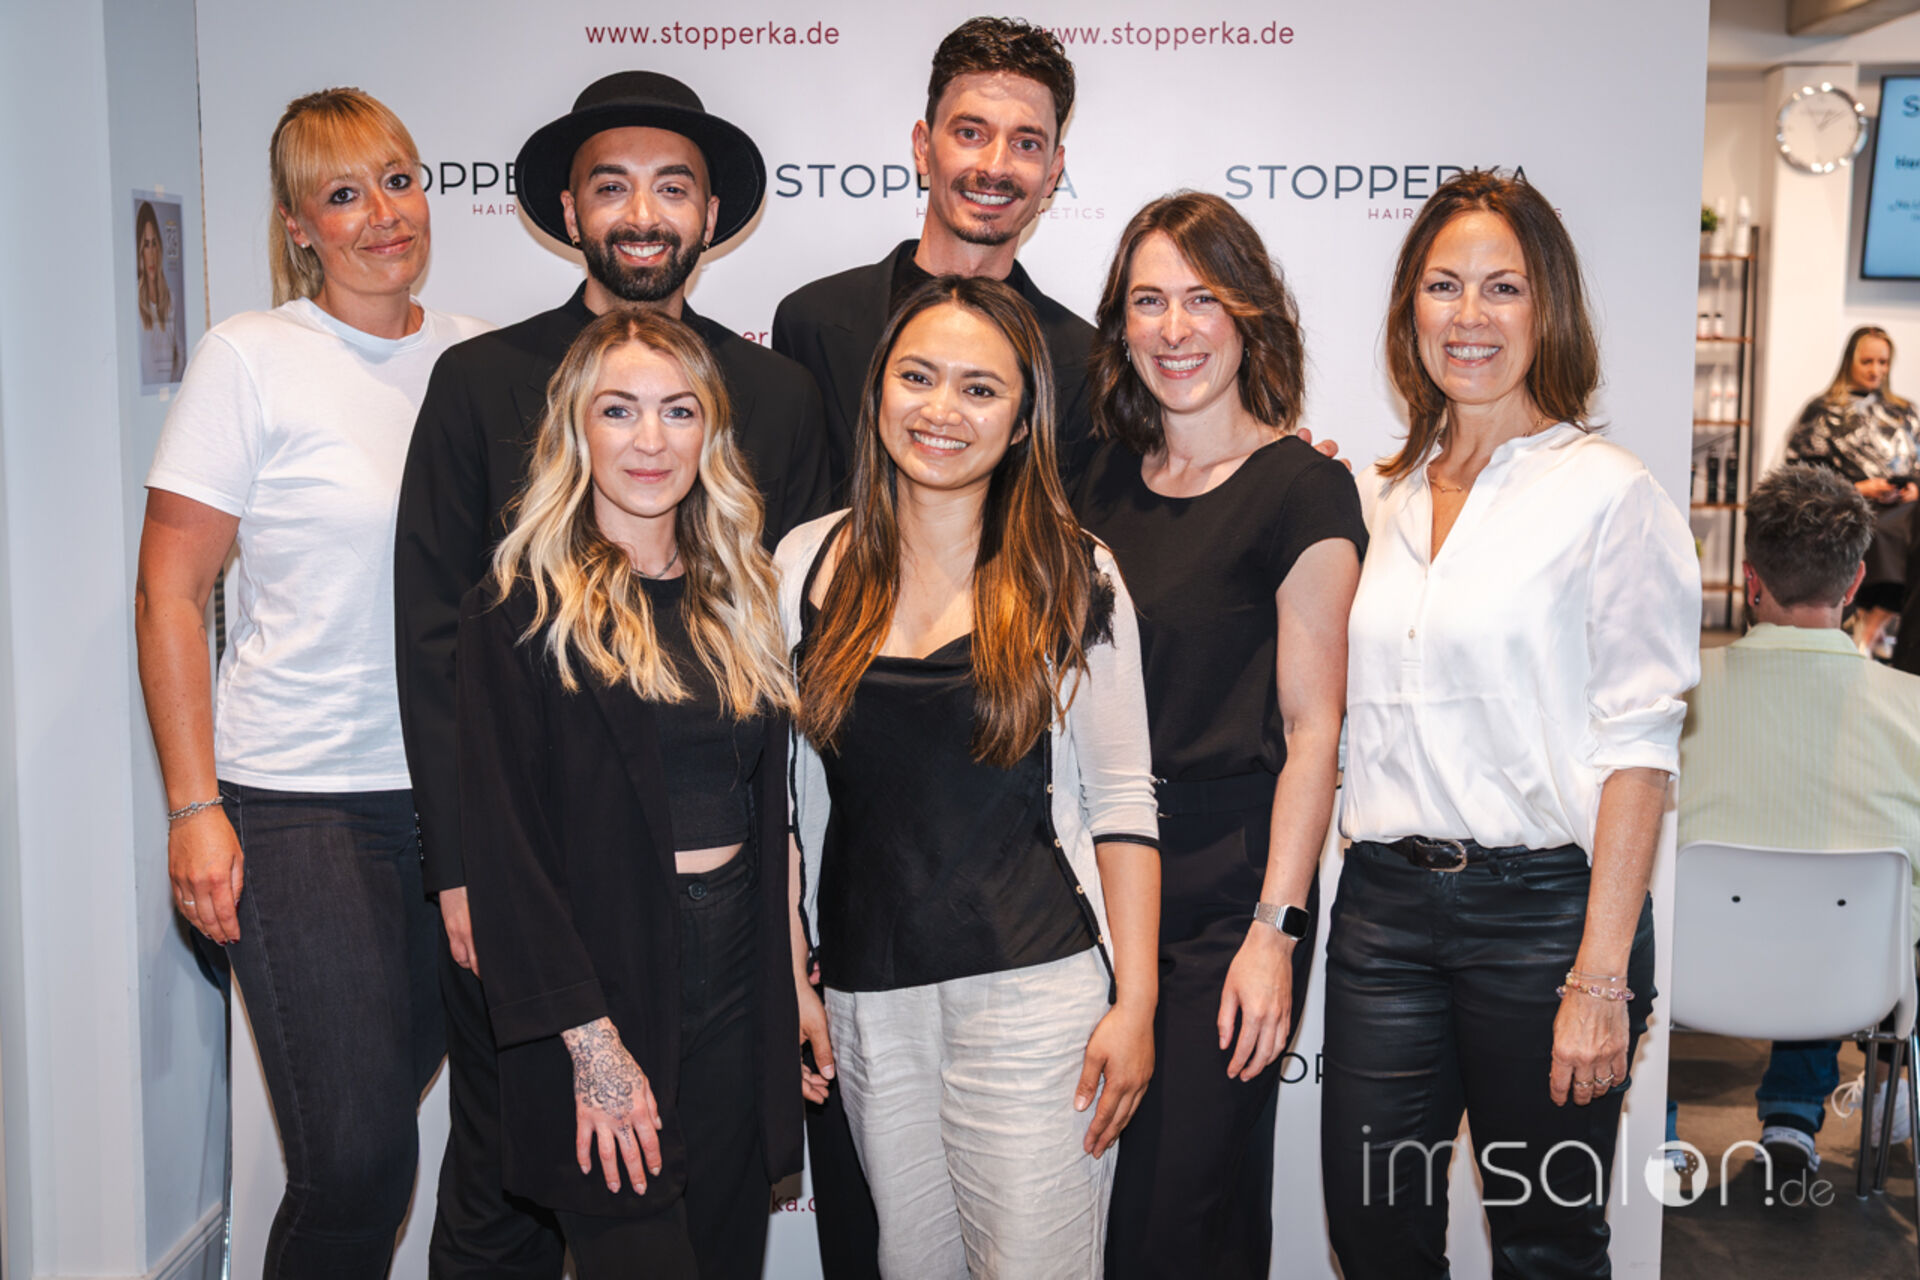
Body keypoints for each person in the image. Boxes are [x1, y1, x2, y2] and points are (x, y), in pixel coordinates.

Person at [392, 70, 831, 1275]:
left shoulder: (779, 396)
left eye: (671, 187)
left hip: (729, 925)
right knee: (505, 1192)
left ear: (711, 214)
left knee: (703, 1216)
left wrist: (796, 947)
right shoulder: (480, 380)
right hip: (545, 892)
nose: (651, 440)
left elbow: (797, 672)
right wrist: (460, 871)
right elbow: (434, 640)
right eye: (612, 186)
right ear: (568, 209)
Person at [133, 87, 488, 1276]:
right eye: (344, 194)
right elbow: (171, 593)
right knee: (357, 1160)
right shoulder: (253, 357)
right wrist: (194, 806)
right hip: (300, 802)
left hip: (459, 807)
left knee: (416, 1139)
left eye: (398, 179)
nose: (383, 213)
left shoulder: (480, 359)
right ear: (298, 227)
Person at [1324, 170, 1700, 1278]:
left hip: (1547, 922)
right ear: (1411, 308)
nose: (1470, 315)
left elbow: (1640, 749)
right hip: (1384, 914)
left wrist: (1599, 977)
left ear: (1549, 310)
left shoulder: (1609, 491)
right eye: (1444, 285)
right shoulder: (1377, 498)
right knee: (1375, 1235)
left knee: (1546, 1246)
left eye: (1504, 286)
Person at [778, 275, 1160, 1278]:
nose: (941, 409)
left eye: (980, 389)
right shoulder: (804, 563)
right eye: (918, 377)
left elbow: (1124, 802)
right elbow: (779, 800)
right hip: (868, 1000)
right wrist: (791, 969)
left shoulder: (1074, 571)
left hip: (1037, 996)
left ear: (1024, 418)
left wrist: (1137, 1004)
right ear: (878, 390)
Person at [456, 308, 801, 1278]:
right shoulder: (519, 608)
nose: (651, 439)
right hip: (599, 987)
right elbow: (507, 855)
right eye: (619, 410)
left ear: (710, 432)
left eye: (678, 411)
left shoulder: (742, 594)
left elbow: (768, 815)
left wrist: (790, 986)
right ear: (576, 427)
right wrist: (591, 1048)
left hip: (738, 977)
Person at [1070, 191, 1364, 1280]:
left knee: (1172, 1214)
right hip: (1088, 878)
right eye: (1149, 301)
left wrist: (1274, 929)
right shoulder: (1085, 481)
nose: (1176, 328)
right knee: (1150, 1213)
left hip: (1228, 888)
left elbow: (1313, 730)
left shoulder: (1305, 489)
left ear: (1249, 315)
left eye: (1202, 298)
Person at [1679, 463, 1920, 1173]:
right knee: (1841, 904)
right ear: (1855, 583)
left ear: (1750, 579)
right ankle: (1795, 1118)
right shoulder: (1912, 709)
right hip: (1856, 988)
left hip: (1692, 977)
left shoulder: (1675, 697)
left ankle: (1656, 1127)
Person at [772, 17, 1099, 495]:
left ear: (1053, 172)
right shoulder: (812, 324)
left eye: (1026, 144)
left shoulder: (1084, 362)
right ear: (923, 148)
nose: (995, 166)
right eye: (970, 134)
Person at [1786, 326, 1919, 657]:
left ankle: (1870, 629)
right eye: (1867, 362)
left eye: (1883, 362)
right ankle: (1871, 631)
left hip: (1904, 507)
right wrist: (1860, 488)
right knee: (1887, 531)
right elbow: (1803, 472)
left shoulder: (1904, 410)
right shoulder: (1821, 411)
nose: (1876, 370)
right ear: (1849, 361)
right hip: (1848, 504)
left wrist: (1914, 487)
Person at [136, 199, 184, 384]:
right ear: (140, 250)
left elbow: (181, 353)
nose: (151, 254)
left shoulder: (170, 299)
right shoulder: (135, 303)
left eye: (154, 243)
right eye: (146, 245)